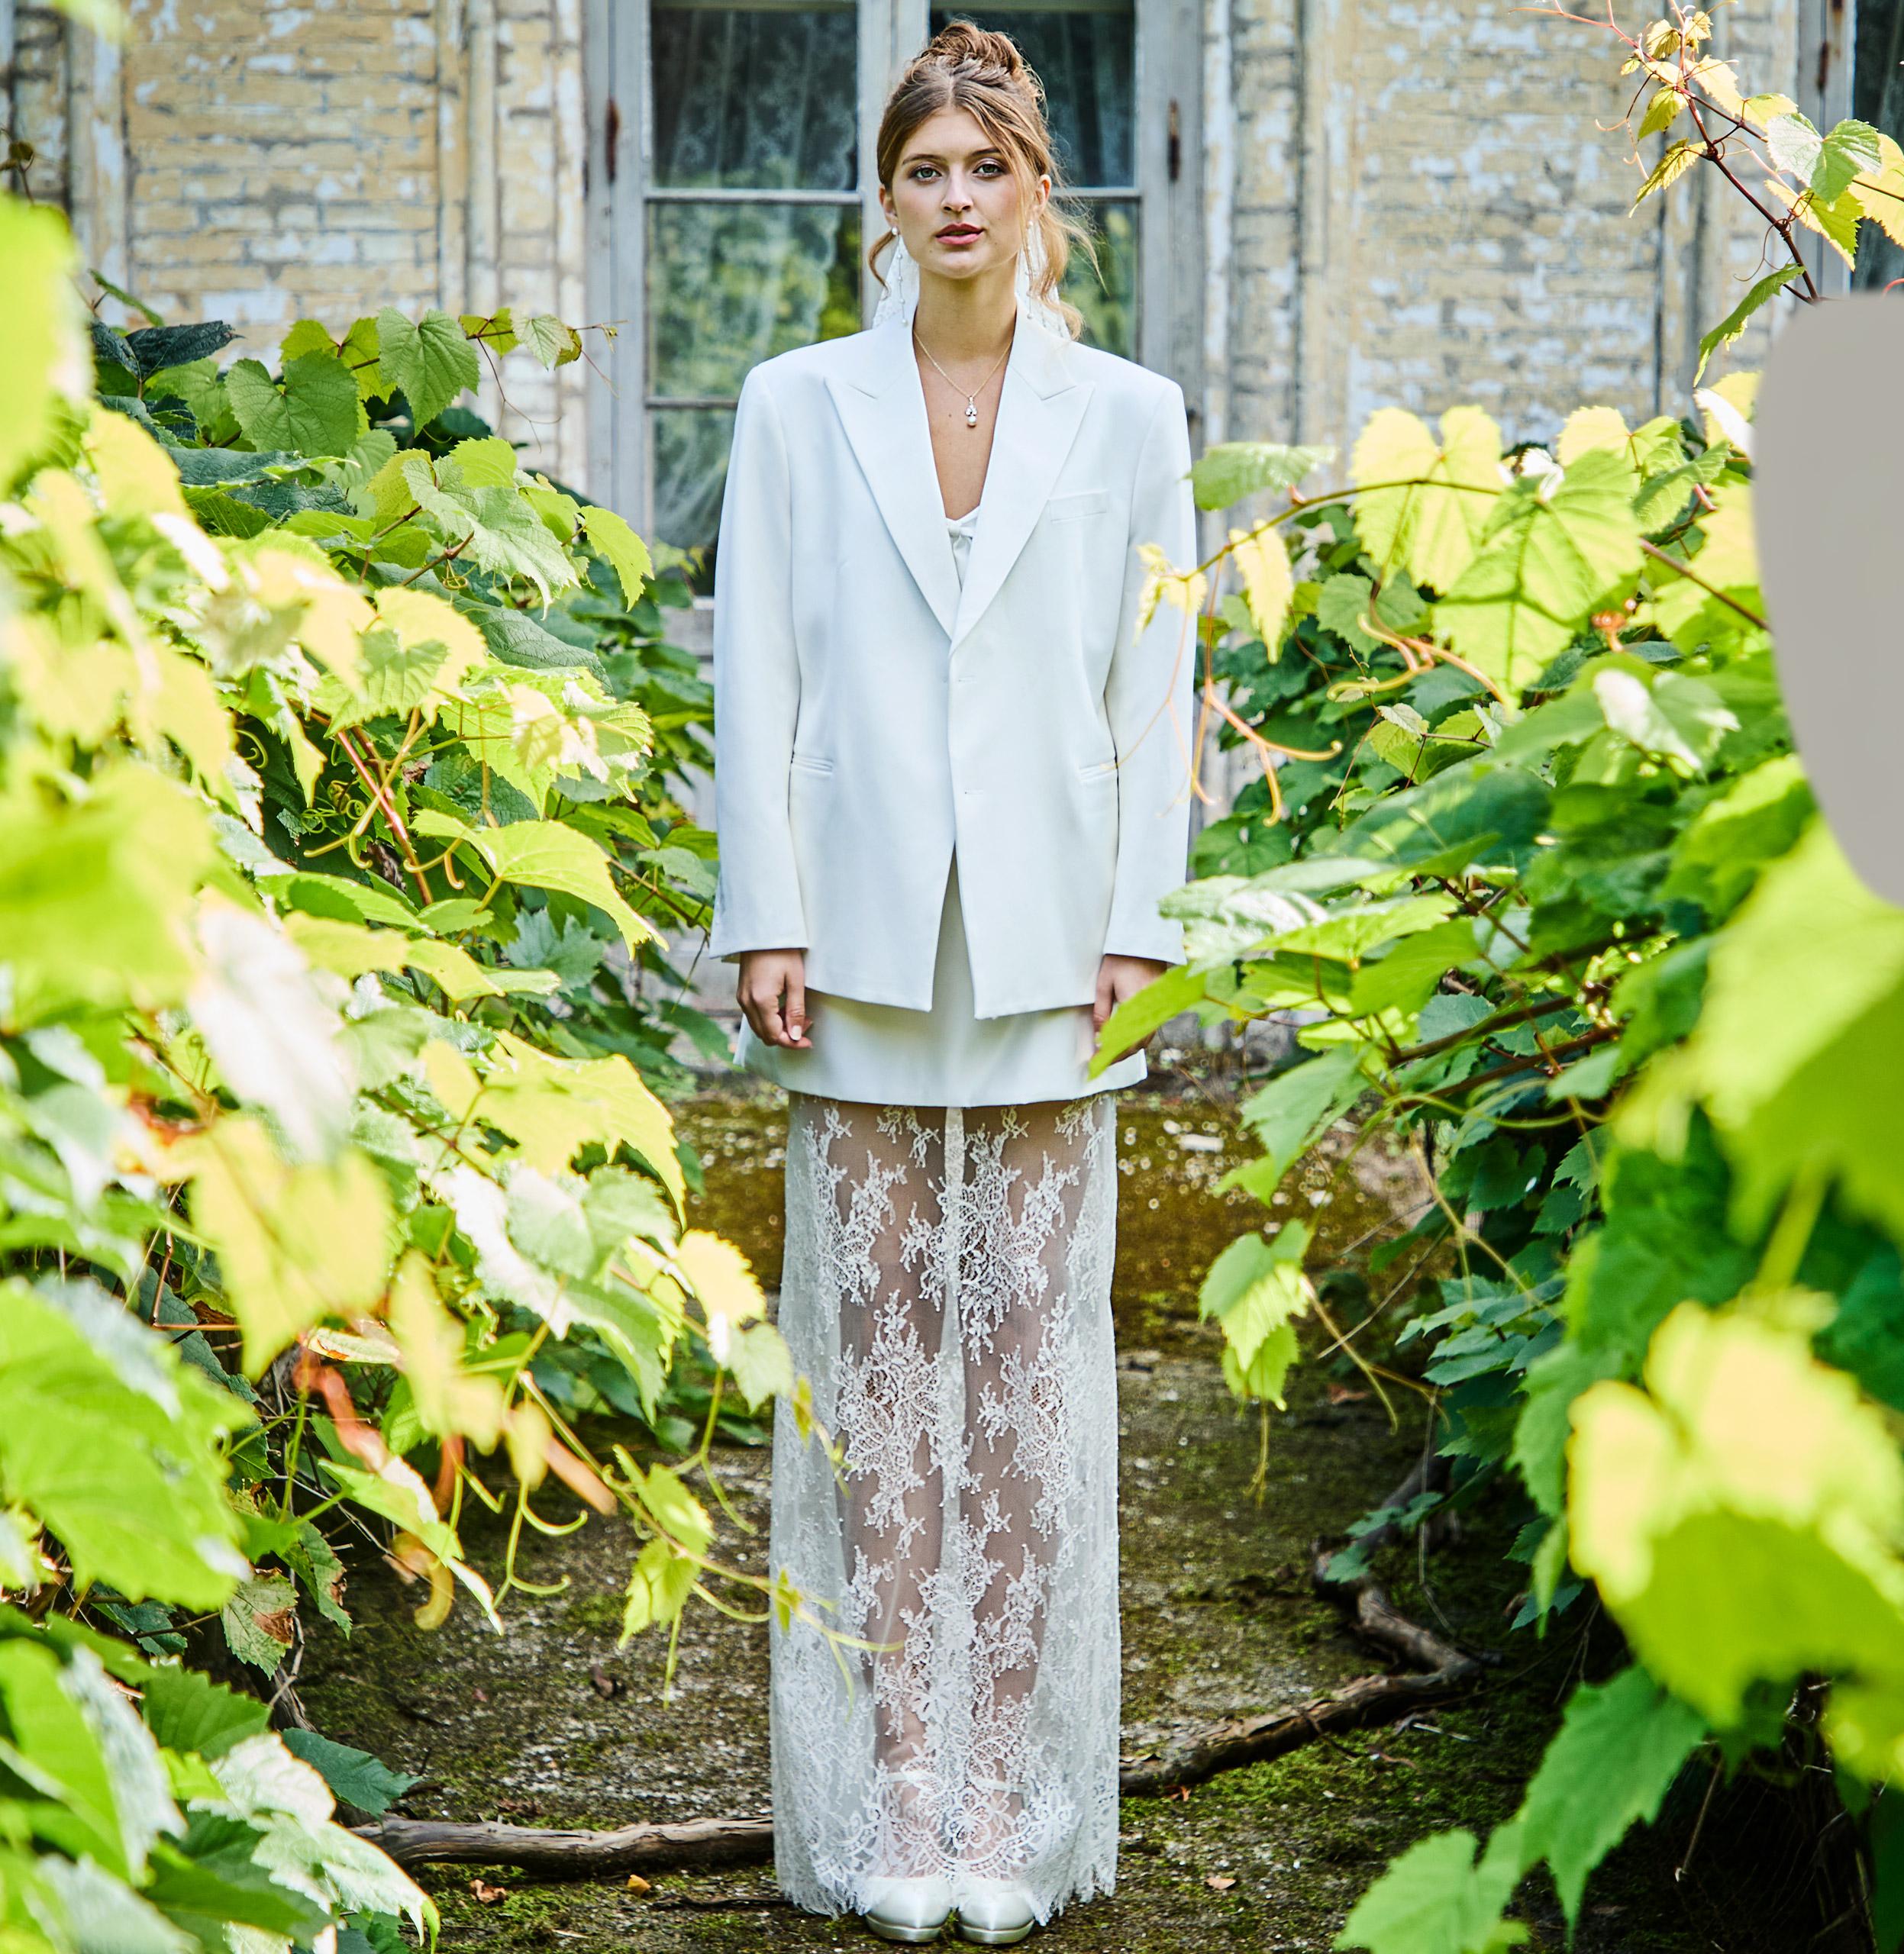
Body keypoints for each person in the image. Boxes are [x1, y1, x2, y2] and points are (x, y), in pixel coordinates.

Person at [704, 20, 1198, 1944]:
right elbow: (755, 671)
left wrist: (1139, 923)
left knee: (1023, 1375)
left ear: (1039, 191)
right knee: (874, 1368)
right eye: (926, 170)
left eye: (988, 166)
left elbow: (1154, 692)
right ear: (886, 199)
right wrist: (767, 907)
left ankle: (1012, 1789)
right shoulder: (790, 402)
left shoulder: (1132, 417)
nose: (958, 198)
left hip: (1059, 943)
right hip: (859, 933)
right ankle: (899, 1773)